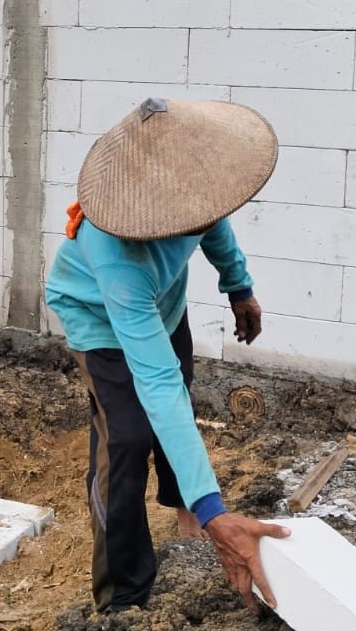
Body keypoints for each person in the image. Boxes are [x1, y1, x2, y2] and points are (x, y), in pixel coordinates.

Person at [44, 98, 291, 615]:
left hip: (162, 298)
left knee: (179, 390)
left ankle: (185, 511)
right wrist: (217, 510)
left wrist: (238, 286)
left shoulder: (189, 190)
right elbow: (157, 385)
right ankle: (122, 595)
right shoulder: (117, 256)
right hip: (101, 316)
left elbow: (212, 221)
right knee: (128, 438)